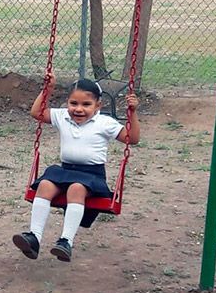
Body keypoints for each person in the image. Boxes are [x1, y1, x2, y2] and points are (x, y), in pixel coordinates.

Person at [12, 72, 140, 262]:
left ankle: (66, 242)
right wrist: (48, 89)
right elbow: (37, 113)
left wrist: (133, 112)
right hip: (65, 171)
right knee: (45, 185)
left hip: (91, 176)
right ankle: (34, 238)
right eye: (74, 103)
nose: (79, 109)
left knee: (76, 189)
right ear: (67, 103)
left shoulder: (105, 123)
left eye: (86, 105)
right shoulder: (63, 116)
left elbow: (133, 139)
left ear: (98, 106)